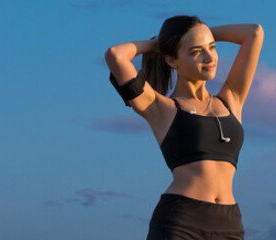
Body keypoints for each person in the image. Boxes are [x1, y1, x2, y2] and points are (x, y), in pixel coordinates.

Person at [104, 15, 263, 239]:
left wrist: (199, 33)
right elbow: (116, 55)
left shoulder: (232, 98)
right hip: (181, 221)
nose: (210, 57)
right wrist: (161, 43)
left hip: (229, 224)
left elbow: (253, 33)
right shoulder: (160, 107)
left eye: (212, 47)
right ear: (171, 60)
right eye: (196, 52)